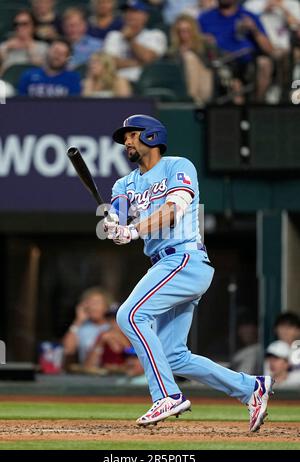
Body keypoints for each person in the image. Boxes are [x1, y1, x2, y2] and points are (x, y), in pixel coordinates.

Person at [102, 113, 274, 430]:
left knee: (130, 315)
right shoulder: (124, 183)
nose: (126, 141)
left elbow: (172, 211)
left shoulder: (178, 166)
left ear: (151, 136)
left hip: (183, 260)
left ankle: (166, 395)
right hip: (165, 266)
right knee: (173, 355)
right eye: (124, 136)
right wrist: (114, 225)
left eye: (132, 134)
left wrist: (133, 230)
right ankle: (250, 388)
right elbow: (118, 215)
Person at [103, 0, 167, 83]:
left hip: (144, 82)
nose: (129, 15)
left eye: (134, 11)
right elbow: (109, 63)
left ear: (145, 16)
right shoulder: (114, 35)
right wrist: (138, 63)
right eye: (126, 11)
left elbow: (149, 59)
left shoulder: (155, 35)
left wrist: (130, 40)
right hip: (115, 81)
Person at [62, 286, 111, 365]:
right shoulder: (81, 328)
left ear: (106, 306)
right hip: (87, 373)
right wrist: (78, 321)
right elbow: (68, 350)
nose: (93, 307)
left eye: (97, 303)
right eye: (90, 303)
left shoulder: (113, 326)